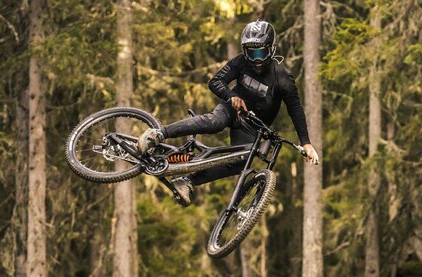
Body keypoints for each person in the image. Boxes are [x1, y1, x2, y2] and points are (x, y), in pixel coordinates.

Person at [137, 20, 321, 205]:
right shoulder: (241, 62)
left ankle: (187, 181)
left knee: (239, 163)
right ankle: (158, 134)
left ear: (271, 49)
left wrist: (306, 143)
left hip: (252, 126)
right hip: (232, 109)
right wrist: (231, 96)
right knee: (214, 122)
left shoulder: (283, 78)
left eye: (260, 53)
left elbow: (295, 109)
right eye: (251, 53)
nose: (256, 59)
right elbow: (215, 81)